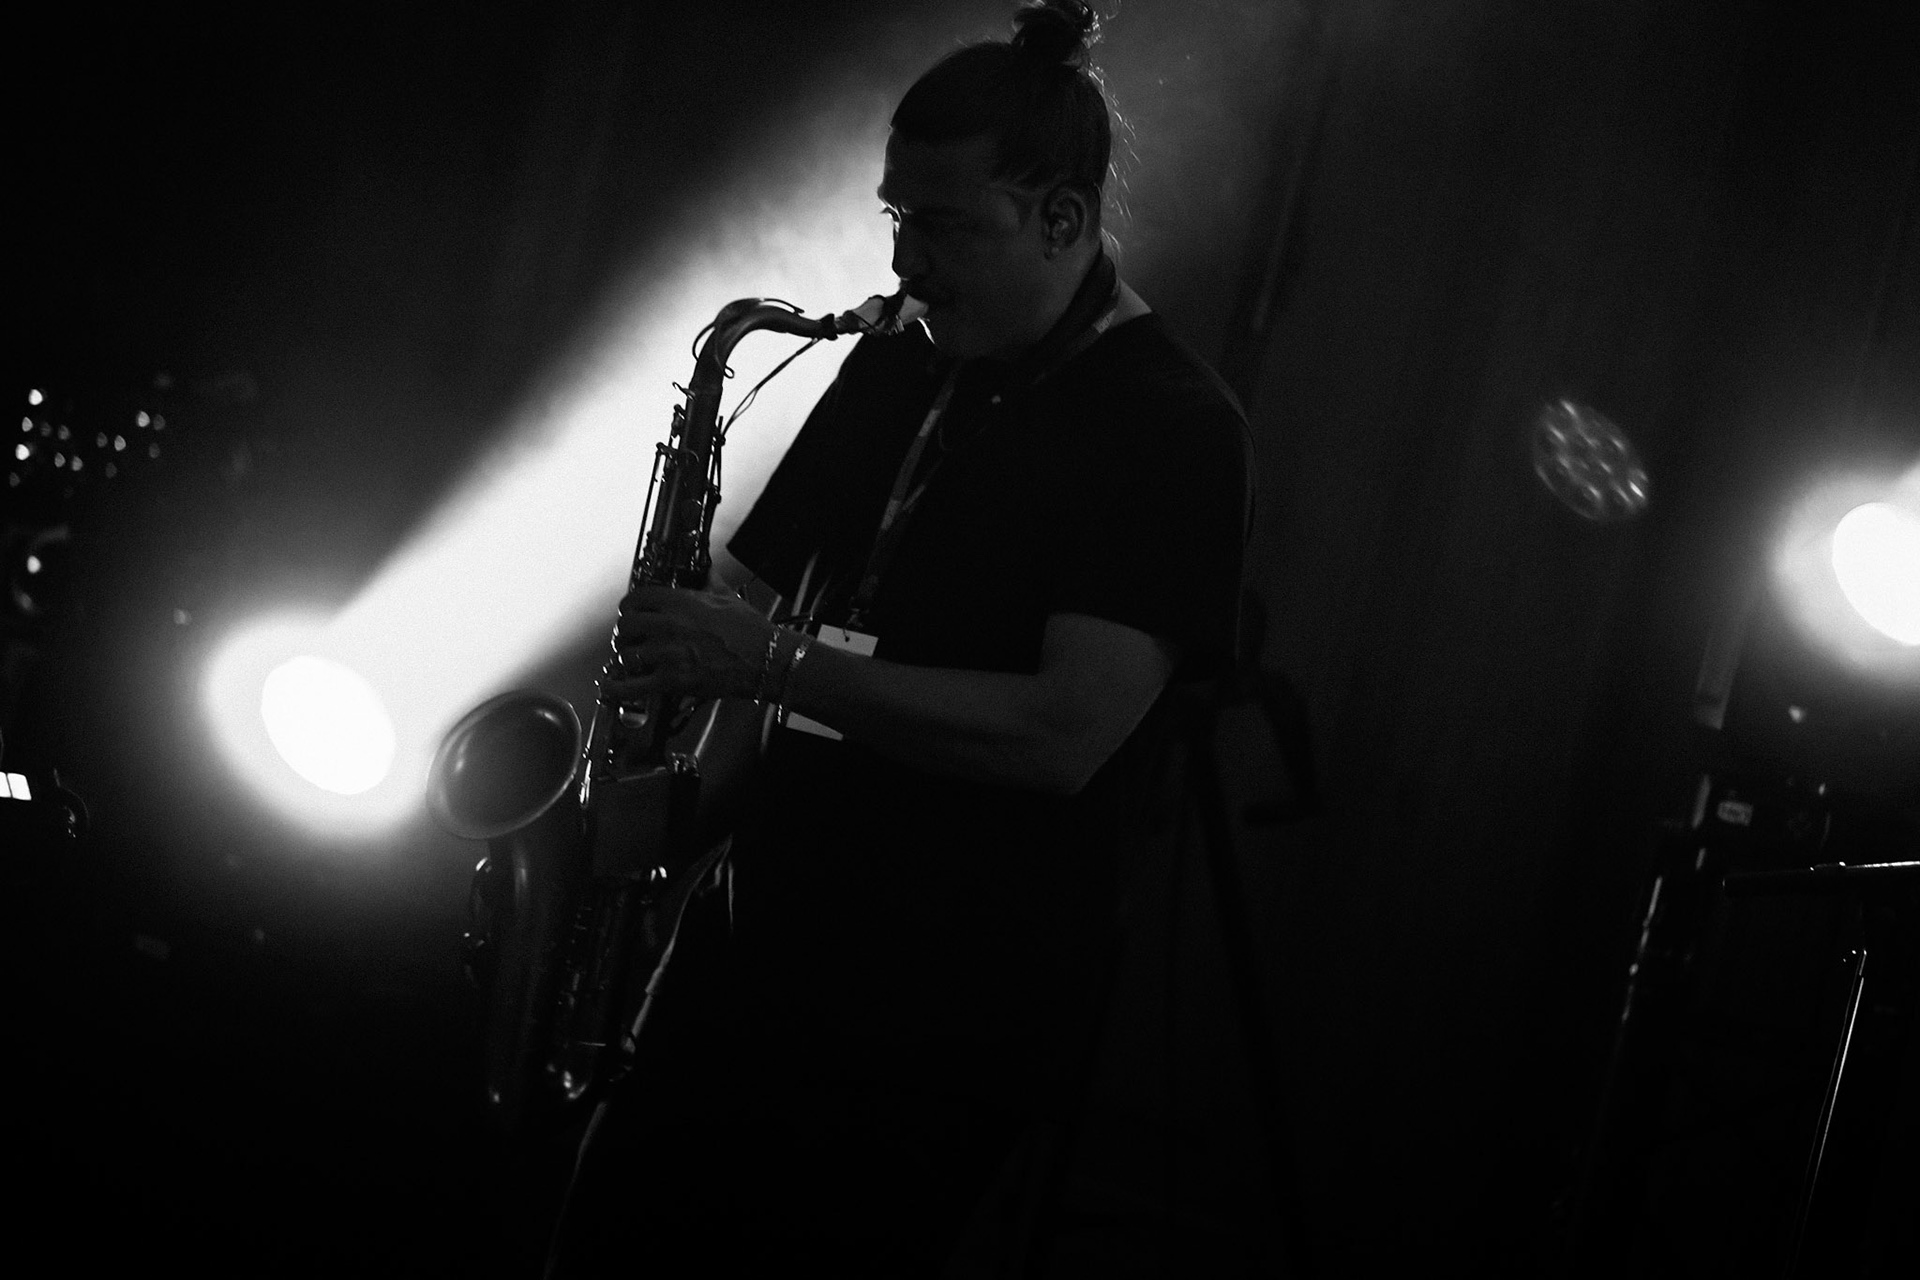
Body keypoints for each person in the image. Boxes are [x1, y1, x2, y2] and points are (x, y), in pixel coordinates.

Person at [552, 2, 1253, 1273]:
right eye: (895, 220)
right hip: (754, 946)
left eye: (942, 227)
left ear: (1063, 220)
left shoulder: (1171, 426)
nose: (905, 267)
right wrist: (670, 819)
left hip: (942, 1011)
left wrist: (765, 663)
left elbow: (1063, 734)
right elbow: (790, 630)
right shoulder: (897, 359)